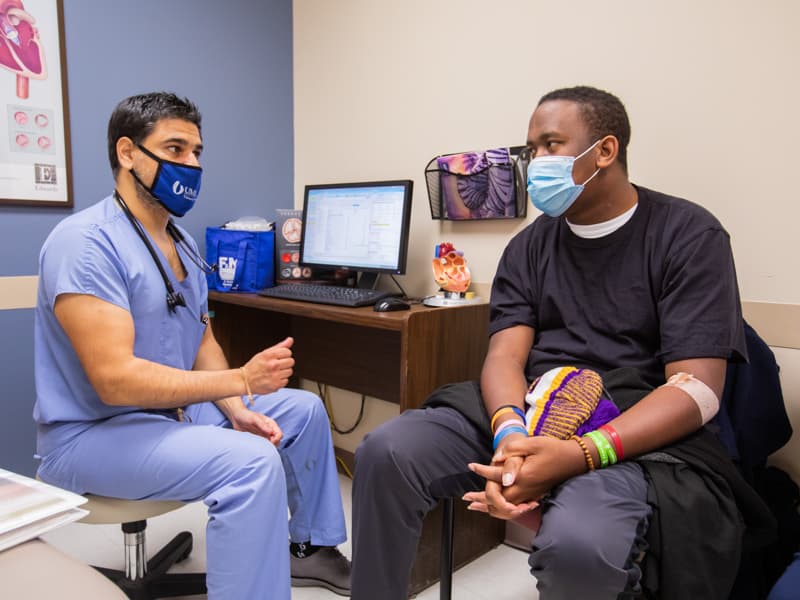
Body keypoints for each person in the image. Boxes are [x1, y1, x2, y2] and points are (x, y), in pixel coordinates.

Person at [351, 86, 764, 599]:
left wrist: (577, 455)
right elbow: (504, 354)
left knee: (580, 548)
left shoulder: (688, 234)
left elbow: (696, 390)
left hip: (624, 420)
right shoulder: (530, 245)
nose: (536, 163)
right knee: (387, 452)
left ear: (604, 152)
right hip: (529, 404)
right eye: (532, 150)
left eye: (551, 145)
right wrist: (508, 432)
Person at [33, 92, 350, 599]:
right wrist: (241, 382)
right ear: (127, 152)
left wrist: (236, 407)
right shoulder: (85, 243)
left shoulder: (183, 243)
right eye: (176, 149)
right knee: (250, 465)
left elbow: (201, 337)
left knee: (304, 411)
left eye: (197, 151)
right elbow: (114, 382)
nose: (192, 164)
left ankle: (309, 549)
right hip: (92, 434)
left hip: (173, 415)